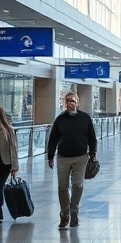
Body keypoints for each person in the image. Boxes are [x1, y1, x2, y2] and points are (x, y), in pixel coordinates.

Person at [47, 92, 97, 229]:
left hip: (81, 157)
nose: (70, 103)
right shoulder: (60, 119)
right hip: (63, 157)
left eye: (73, 101)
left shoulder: (85, 118)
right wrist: (50, 156)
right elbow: (53, 139)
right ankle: (64, 214)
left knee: (78, 185)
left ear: (77, 102)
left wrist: (93, 154)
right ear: (65, 103)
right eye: (68, 101)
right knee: (62, 187)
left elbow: (92, 137)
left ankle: (74, 211)